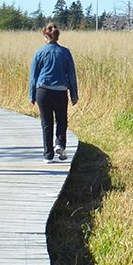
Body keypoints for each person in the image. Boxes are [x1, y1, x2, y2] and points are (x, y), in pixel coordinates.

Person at [28, 22, 79, 163]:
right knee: (62, 120)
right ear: (57, 36)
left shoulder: (39, 52)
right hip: (60, 91)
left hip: (42, 91)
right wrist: (74, 94)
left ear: (45, 36)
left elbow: (33, 76)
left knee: (46, 122)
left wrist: (31, 94)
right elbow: (72, 75)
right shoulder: (65, 52)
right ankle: (60, 144)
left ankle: (48, 155)